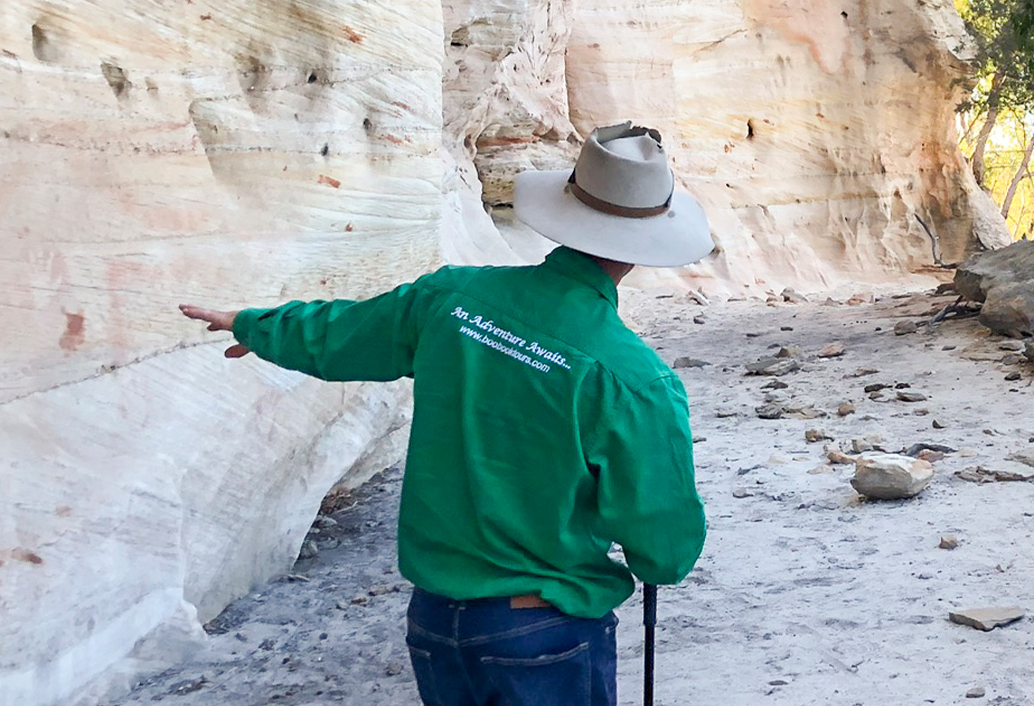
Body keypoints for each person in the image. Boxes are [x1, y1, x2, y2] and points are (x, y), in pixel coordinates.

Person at [179, 122, 712, 706]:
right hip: (545, 628)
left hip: (435, 622)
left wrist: (257, 326)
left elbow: (344, 333)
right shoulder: (632, 378)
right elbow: (664, 544)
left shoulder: (451, 299)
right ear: (644, 244)